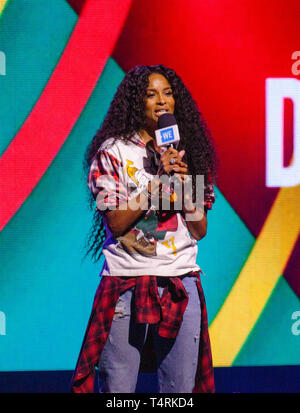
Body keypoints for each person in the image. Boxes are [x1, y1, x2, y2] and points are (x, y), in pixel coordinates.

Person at [71, 64, 218, 393]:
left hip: (181, 281)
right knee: (118, 392)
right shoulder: (112, 153)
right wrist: (156, 182)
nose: (162, 101)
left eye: (168, 93)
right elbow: (115, 220)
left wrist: (181, 184)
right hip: (126, 284)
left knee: (179, 392)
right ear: (135, 103)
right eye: (151, 94)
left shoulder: (185, 154)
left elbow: (198, 229)